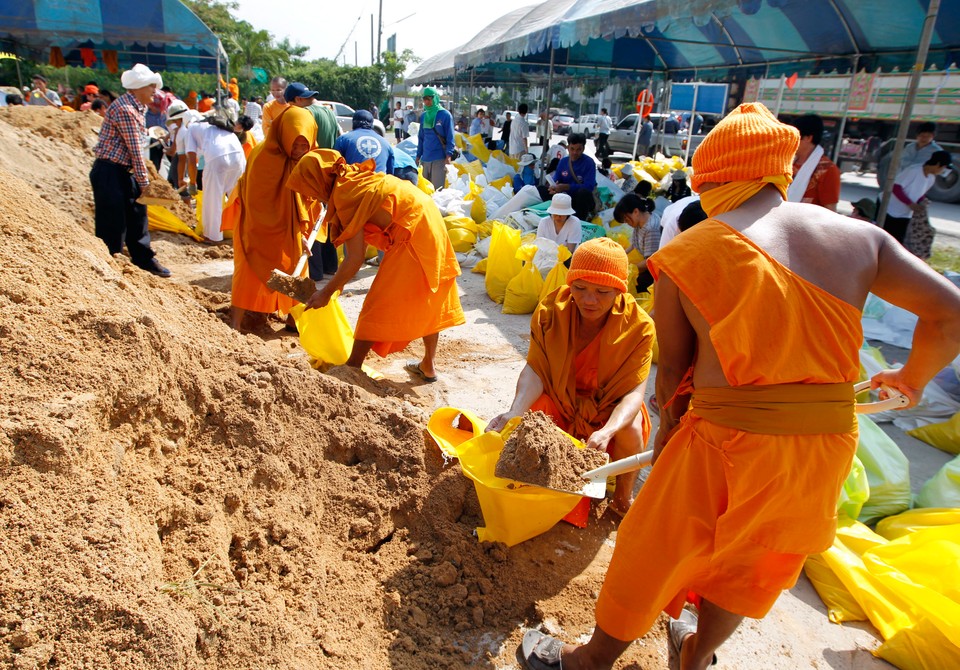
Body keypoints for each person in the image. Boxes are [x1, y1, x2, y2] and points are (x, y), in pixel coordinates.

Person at [518, 101, 960, 670]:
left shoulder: (688, 252)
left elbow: (673, 374)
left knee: (649, 551)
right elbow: (949, 313)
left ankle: (590, 661)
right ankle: (696, 656)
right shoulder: (861, 238)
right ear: (780, 169)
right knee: (751, 562)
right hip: (821, 449)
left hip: (726, 440)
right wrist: (912, 378)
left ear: (710, 179)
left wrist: (673, 429)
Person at [486, 238, 655, 516]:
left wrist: (608, 431)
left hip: (607, 410)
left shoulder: (639, 327)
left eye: (602, 291)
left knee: (632, 428)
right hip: (562, 401)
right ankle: (537, 487)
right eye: (580, 288)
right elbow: (535, 370)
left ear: (619, 291)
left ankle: (623, 498)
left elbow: (634, 394)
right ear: (569, 283)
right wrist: (513, 411)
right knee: (532, 413)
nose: (589, 300)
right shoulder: (550, 312)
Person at [287, 149, 466, 380]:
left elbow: (355, 258)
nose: (310, 196)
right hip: (428, 219)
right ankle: (428, 365)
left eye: (308, 188)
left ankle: (352, 367)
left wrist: (326, 292)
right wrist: (336, 287)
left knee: (377, 304)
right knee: (427, 297)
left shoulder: (346, 196)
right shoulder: (353, 178)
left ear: (317, 180)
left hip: (410, 231)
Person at [230, 106, 320, 331]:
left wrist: (302, 232)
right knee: (250, 271)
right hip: (258, 227)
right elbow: (259, 205)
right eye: (295, 144)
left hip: (294, 228)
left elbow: (308, 199)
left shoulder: (308, 158)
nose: (299, 150)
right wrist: (294, 234)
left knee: (298, 271)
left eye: (304, 145)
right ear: (283, 136)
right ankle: (235, 322)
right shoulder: (264, 157)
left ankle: (293, 320)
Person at [89, 64, 170, 278]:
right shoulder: (126, 109)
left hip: (123, 170)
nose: (155, 91)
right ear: (138, 87)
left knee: (137, 213)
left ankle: (143, 258)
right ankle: (110, 263)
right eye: (151, 86)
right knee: (112, 221)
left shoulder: (137, 107)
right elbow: (135, 149)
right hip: (110, 171)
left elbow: (138, 143)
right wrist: (145, 184)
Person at [284, 82, 341, 283]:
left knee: (311, 217)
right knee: (326, 216)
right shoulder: (328, 112)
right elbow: (338, 137)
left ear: (296, 101)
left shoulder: (303, 115)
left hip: (309, 169)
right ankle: (331, 265)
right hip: (328, 169)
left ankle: (314, 270)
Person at [184, 115, 246, 243]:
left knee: (212, 199)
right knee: (238, 198)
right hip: (239, 157)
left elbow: (191, 160)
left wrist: (192, 182)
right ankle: (245, 233)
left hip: (217, 158)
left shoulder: (191, 128)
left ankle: (213, 237)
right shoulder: (215, 125)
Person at [884, 151, 952, 254]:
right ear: (938, 164)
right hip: (889, 209)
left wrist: (922, 202)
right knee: (885, 239)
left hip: (905, 214)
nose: (942, 171)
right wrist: (910, 203)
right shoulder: (914, 170)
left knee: (896, 243)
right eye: (943, 168)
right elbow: (896, 187)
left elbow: (920, 193)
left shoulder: (931, 178)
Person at [787, 114, 840, 211]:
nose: (789, 141)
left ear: (808, 138)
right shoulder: (787, 163)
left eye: (793, 137)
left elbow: (830, 210)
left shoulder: (828, 170)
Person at [614, 193, 661, 292]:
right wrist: (618, 256)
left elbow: (651, 261)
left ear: (636, 211)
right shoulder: (639, 222)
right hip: (645, 260)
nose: (627, 223)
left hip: (655, 271)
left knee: (629, 285)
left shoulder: (651, 229)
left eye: (627, 219)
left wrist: (630, 270)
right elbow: (634, 244)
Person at [877, 121, 942, 189]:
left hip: (918, 183)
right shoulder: (909, 147)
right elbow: (901, 162)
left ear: (933, 136)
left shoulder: (937, 151)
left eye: (928, 136)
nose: (924, 138)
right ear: (917, 135)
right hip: (901, 180)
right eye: (922, 136)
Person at [416, 87, 455, 191]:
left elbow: (450, 137)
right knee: (424, 191)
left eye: (429, 99)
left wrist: (448, 156)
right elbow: (421, 137)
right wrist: (418, 156)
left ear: (435, 98)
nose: (427, 102)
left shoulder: (445, 115)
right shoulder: (424, 116)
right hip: (425, 159)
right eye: (425, 99)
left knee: (437, 191)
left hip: (439, 159)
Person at [550, 133, 597, 221]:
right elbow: (556, 178)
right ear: (568, 148)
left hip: (583, 200)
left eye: (578, 149)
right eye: (572, 149)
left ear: (583, 149)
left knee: (583, 193)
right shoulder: (563, 162)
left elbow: (589, 186)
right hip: (566, 198)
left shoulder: (589, 163)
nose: (575, 152)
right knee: (542, 189)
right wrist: (553, 186)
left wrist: (568, 187)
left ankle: (579, 223)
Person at [335, 110, 394, 174]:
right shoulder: (386, 143)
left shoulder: (343, 139)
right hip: (379, 182)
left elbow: (335, 167)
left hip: (354, 182)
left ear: (353, 123)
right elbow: (390, 173)